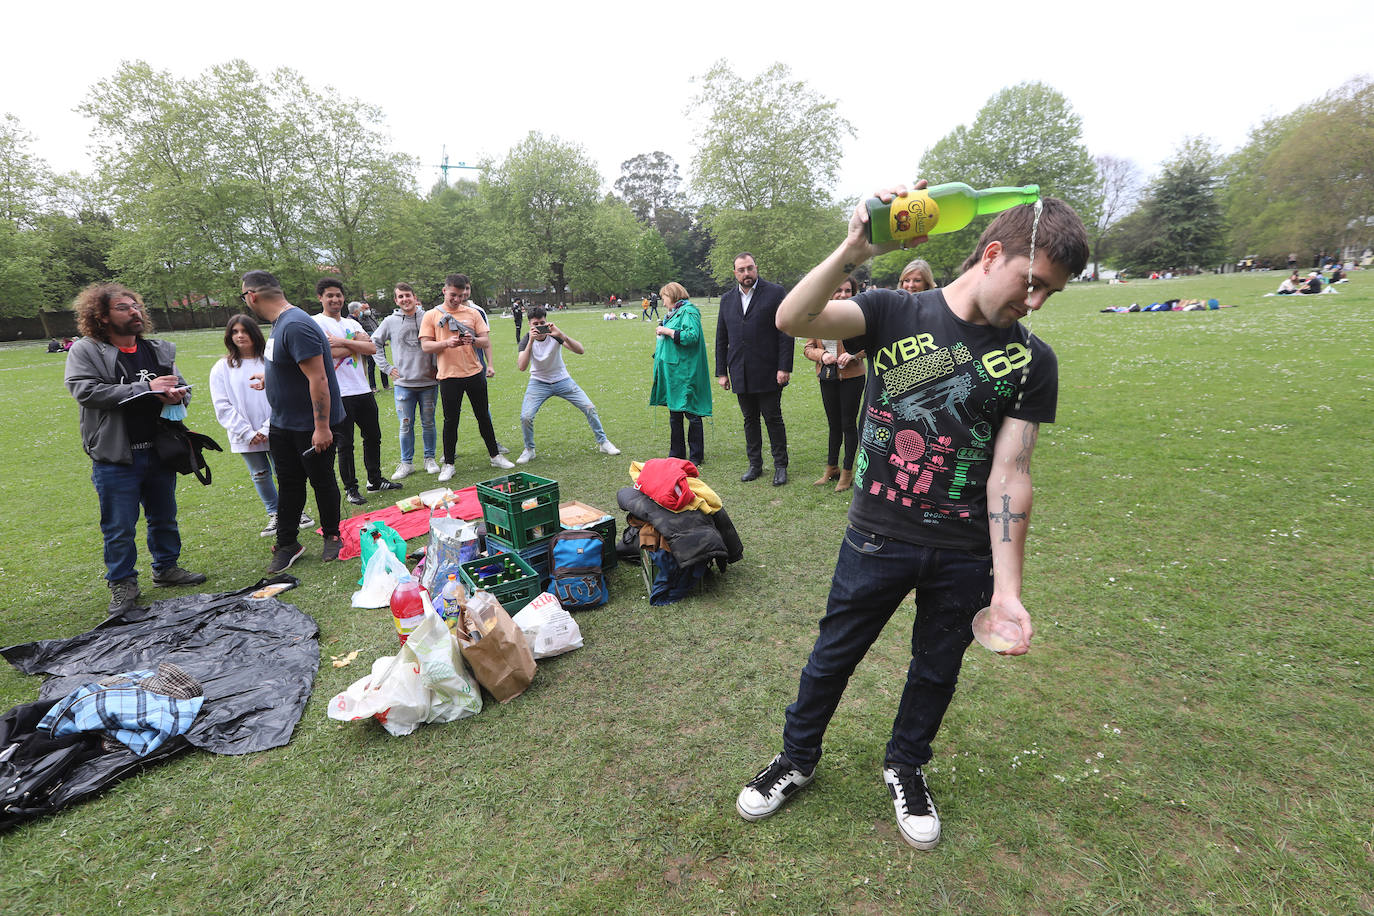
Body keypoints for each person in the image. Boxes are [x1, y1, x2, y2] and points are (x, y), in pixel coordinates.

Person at [736, 183, 1089, 851]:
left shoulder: (1033, 361)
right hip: (877, 534)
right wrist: (852, 249)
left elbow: (1011, 472)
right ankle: (797, 758)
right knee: (832, 657)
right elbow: (791, 320)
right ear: (991, 254)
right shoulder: (893, 308)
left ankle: (906, 766)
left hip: (964, 553)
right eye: (1031, 283)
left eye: (1050, 295)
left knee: (936, 669)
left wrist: (1008, 589)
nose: (1035, 303)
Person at [64, 283, 206, 614]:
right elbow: (85, 391)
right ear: (101, 316)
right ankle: (123, 583)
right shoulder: (87, 350)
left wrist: (177, 394)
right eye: (124, 308)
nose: (135, 312)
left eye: (136, 306)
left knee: (164, 516)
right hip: (116, 456)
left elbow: (180, 387)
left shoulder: (157, 350)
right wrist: (146, 388)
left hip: (159, 450)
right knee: (119, 527)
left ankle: (166, 568)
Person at [239, 269, 347, 571]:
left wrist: (322, 427)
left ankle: (332, 535)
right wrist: (270, 379)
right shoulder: (280, 324)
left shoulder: (296, 324)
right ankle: (288, 543)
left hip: (311, 426)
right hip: (284, 423)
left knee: (322, 481)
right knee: (288, 483)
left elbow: (319, 378)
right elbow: (292, 367)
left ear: (252, 296)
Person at [209, 314, 315, 538]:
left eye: (244, 331)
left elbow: (282, 395)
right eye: (235, 332)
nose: (240, 336)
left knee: (285, 472)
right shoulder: (222, 367)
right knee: (259, 474)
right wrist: (247, 432)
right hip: (244, 435)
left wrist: (267, 428)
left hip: (276, 428)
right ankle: (275, 513)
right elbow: (222, 404)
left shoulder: (270, 361)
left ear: (254, 333)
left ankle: (295, 511)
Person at [313, 279, 401, 506]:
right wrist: (354, 343)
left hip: (362, 390)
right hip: (338, 394)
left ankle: (375, 479)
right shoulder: (316, 323)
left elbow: (371, 348)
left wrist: (343, 341)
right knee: (346, 444)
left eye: (338, 295)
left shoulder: (352, 324)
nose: (335, 299)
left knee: (373, 436)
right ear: (320, 298)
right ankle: (351, 488)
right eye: (330, 295)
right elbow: (326, 352)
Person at [420, 273, 515, 482]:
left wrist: (473, 340)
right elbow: (426, 346)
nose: (457, 299)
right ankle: (449, 464)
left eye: (461, 295)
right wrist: (446, 343)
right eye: (453, 294)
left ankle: (495, 456)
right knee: (450, 421)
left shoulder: (472, 313)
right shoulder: (431, 315)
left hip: (474, 373)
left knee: (483, 416)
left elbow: (485, 342)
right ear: (444, 290)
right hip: (448, 376)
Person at [715, 252, 794, 485]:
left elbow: (786, 332)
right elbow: (722, 337)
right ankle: (755, 465)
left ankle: (780, 465)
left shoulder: (775, 293)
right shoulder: (727, 299)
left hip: (769, 370)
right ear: (735, 273)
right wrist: (722, 371)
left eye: (750, 268)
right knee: (749, 420)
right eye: (741, 270)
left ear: (756, 268)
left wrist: (784, 367)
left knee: (773, 418)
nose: (746, 273)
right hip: (740, 370)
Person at [513, 306, 620, 464]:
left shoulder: (554, 335)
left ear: (546, 321)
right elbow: (522, 367)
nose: (539, 326)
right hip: (538, 382)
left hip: (562, 379)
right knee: (526, 417)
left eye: (542, 322)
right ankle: (529, 449)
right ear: (529, 324)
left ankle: (603, 442)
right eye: (535, 324)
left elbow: (580, 350)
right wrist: (530, 341)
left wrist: (561, 334)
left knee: (589, 407)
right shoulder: (526, 339)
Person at [803, 276, 866, 491]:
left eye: (847, 291)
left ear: (853, 293)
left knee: (848, 424)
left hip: (852, 377)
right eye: (838, 290)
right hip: (827, 377)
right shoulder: (819, 316)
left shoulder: (858, 316)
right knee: (833, 425)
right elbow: (808, 348)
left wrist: (854, 355)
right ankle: (832, 468)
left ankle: (848, 472)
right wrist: (822, 355)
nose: (842, 294)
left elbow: (870, 345)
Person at [372, 282, 440, 480]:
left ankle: (430, 459)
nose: (405, 299)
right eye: (400, 297)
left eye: (407, 295)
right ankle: (406, 463)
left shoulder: (428, 317)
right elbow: (374, 342)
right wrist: (386, 367)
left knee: (428, 423)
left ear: (415, 297)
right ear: (396, 300)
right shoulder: (389, 321)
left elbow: (439, 342)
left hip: (428, 382)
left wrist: (437, 365)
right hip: (403, 385)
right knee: (405, 424)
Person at [649, 282, 712, 465]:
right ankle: (676, 454)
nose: (662, 303)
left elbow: (691, 337)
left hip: (686, 371)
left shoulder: (689, 312)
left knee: (691, 412)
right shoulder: (674, 313)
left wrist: (667, 331)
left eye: (664, 298)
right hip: (673, 372)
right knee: (674, 413)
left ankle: (695, 456)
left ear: (673, 295)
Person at [348, 301, 387, 391]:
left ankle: (386, 385)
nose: (368, 310)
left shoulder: (371, 316)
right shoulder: (358, 320)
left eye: (368, 308)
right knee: (371, 366)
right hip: (368, 345)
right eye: (365, 308)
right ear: (359, 309)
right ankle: (372, 387)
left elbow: (377, 327)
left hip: (379, 344)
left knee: (382, 363)